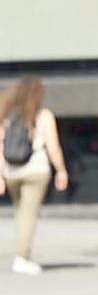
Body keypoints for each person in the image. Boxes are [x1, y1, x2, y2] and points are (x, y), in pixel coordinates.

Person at [0, 77, 70, 274]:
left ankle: (23, 254)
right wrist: (61, 170)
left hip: (12, 171)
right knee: (28, 215)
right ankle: (22, 258)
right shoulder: (43, 115)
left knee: (21, 213)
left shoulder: (7, 115)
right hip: (36, 171)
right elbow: (53, 146)